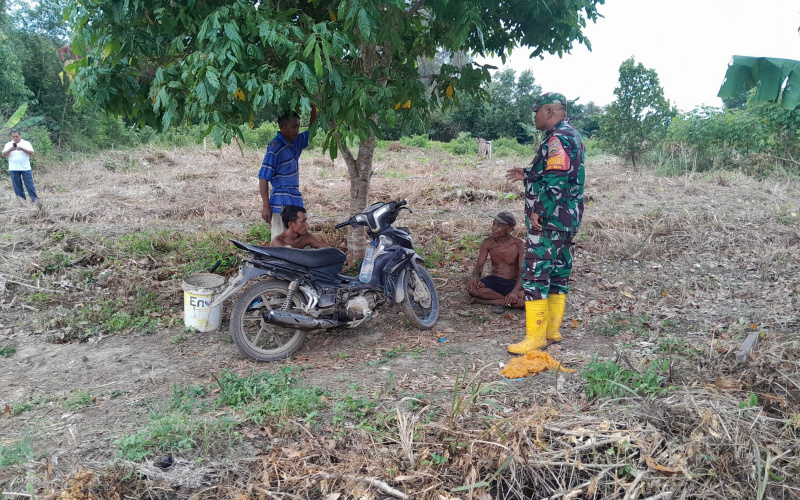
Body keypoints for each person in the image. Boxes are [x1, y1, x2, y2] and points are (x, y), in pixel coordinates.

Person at [504, 93, 585, 354]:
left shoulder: (557, 138)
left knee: (535, 275)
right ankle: (551, 332)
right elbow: (559, 171)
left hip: (550, 220)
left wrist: (539, 210)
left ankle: (535, 338)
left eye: (537, 111)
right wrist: (527, 173)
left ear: (549, 111)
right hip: (567, 220)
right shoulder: (572, 135)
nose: (535, 117)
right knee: (558, 274)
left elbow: (557, 178)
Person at [259, 105, 317, 241]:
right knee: (281, 241)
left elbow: (312, 132)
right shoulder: (275, 148)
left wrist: (313, 108)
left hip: (294, 200)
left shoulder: (295, 142)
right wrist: (266, 206)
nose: (297, 130)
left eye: (298, 126)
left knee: (297, 240)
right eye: (293, 126)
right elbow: (263, 177)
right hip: (280, 203)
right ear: (283, 127)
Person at [466, 211, 525, 313]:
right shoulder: (488, 242)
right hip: (494, 280)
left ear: (509, 229)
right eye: (493, 224)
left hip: (513, 283)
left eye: (499, 226)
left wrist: (515, 292)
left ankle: (488, 301)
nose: (494, 227)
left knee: (526, 301)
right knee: (472, 289)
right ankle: (506, 301)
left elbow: (523, 271)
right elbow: (479, 265)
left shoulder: (520, 244)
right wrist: (475, 277)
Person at [2, 129, 38, 204]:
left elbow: (32, 153)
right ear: (11, 136)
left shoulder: (26, 143)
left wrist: (22, 149)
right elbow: (3, 155)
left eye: (17, 136)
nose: (15, 138)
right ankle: (22, 202)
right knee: (17, 186)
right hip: (13, 168)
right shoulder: (8, 144)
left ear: (20, 135)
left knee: (29, 184)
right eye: (13, 137)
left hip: (25, 167)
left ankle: (35, 200)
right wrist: (10, 150)